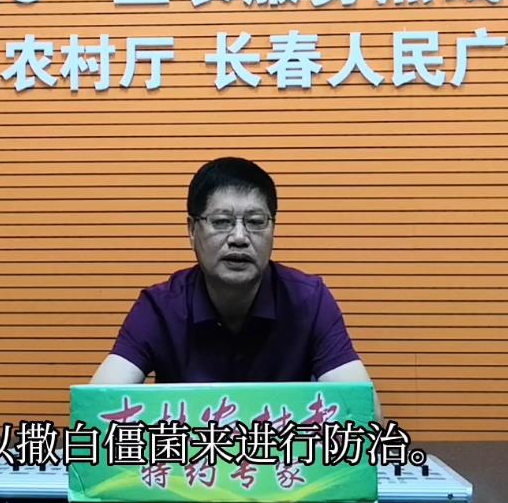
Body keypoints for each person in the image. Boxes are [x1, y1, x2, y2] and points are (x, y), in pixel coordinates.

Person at [91, 156, 381, 418]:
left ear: (273, 229)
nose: (239, 237)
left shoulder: (309, 300)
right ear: (191, 230)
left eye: (255, 221)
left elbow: (364, 416)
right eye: (222, 222)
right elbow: (97, 411)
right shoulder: (160, 307)